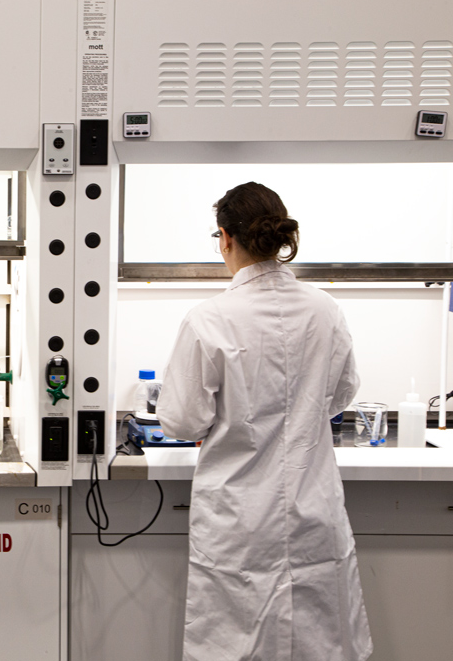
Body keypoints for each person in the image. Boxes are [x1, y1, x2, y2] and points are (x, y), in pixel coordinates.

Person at [156, 182, 372, 661]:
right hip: (312, 510)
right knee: (319, 645)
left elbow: (180, 419)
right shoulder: (325, 311)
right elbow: (342, 394)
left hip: (240, 520)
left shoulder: (210, 318)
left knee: (236, 648)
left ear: (225, 238)